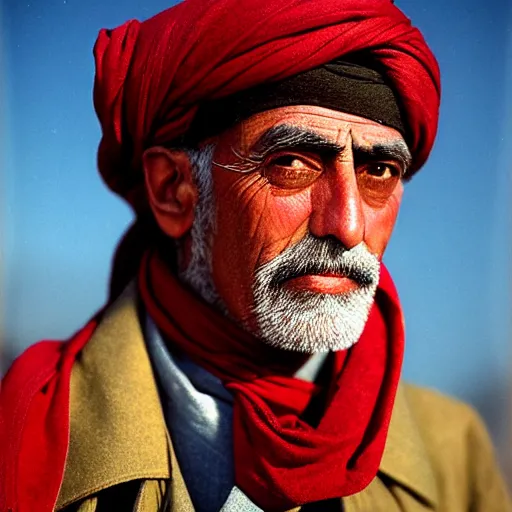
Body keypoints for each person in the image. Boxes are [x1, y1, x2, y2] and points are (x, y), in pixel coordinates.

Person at [1, 0, 510, 510]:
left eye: (378, 172)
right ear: (173, 189)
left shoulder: (454, 456)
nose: (348, 226)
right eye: (292, 162)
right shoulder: (23, 434)